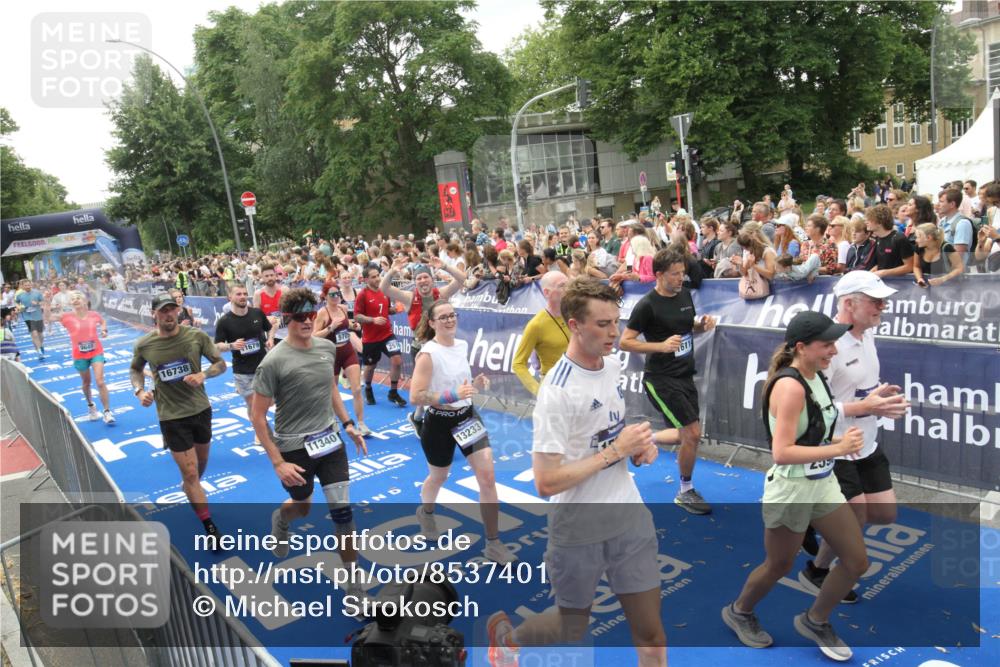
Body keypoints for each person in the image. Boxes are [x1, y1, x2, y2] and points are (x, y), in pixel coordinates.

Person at [487, 278, 665, 667]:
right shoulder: (556, 392)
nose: (614, 332)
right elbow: (546, 481)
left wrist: (635, 452)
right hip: (578, 529)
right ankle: (509, 638)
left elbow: (605, 438)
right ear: (574, 325)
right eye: (602, 324)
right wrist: (615, 451)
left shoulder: (613, 365)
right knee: (572, 628)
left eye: (615, 321)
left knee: (651, 635)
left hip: (628, 518)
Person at [722, 311, 867, 661]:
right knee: (779, 565)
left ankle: (816, 620)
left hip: (822, 483)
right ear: (801, 347)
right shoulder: (789, 386)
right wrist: (839, 448)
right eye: (826, 345)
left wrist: (840, 436)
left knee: (856, 561)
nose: (833, 351)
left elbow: (816, 425)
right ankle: (739, 610)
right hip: (792, 489)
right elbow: (782, 452)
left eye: (834, 344)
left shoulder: (816, 375)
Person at [250, 288, 369, 601]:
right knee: (302, 507)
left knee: (343, 513)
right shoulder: (273, 362)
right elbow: (258, 417)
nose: (306, 321)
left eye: (309, 315)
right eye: (298, 317)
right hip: (294, 448)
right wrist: (278, 462)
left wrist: (347, 425)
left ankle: (354, 587)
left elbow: (330, 388)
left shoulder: (326, 348)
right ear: (287, 320)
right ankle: (281, 518)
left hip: (330, 441)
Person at [798, 273, 910, 603]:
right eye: (875, 301)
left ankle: (810, 520)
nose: (883, 306)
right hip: (835, 447)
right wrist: (866, 404)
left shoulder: (866, 335)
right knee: (854, 518)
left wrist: (878, 396)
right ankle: (817, 571)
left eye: (882, 300)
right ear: (849, 304)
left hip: (866, 441)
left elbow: (854, 388)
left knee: (885, 514)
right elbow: (813, 404)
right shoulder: (827, 346)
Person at [408, 300, 517, 564]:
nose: (449, 320)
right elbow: (416, 395)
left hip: (466, 418)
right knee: (438, 476)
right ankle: (427, 512)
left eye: (452, 315)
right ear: (432, 323)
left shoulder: (462, 345)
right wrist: (452, 394)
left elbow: (459, 386)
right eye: (443, 317)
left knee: (488, 477)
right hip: (438, 423)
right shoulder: (428, 354)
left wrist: (473, 385)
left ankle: (493, 543)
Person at [620, 248, 716, 514]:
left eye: (682, 273)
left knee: (687, 435)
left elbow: (687, 326)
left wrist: (701, 324)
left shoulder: (685, 294)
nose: (680, 278)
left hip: (685, 372)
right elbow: (624, 341)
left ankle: (643, 440)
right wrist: (660, 346)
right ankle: (685, 491)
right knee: (692, 434)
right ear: (658, 275)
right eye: (674, 274)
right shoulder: (647, 305)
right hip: (661, 377)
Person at [130, 293, 227, 543]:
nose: (169, 315)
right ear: (154, 314)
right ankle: (210, 526)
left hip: (200, 409)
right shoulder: (144, 345)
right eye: (163, 311)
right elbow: (135, 369)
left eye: (172, 309)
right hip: (171, 416)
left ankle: (190, 488)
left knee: (201, 464)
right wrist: (139, 391)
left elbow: (220, 363)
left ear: (178, 311)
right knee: (192, 472)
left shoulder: (196, 336)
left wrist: (204, 375)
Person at [379, 255, 466, 432]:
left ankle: (420, 417)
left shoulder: (441, 294)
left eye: (426, 277)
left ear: (432, 280)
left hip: (442, 348)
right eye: (419, 278)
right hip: (422, 348)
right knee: (425, 387)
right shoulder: (410, 297)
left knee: (442, 383)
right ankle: (424, 418)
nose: (422, 280)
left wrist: (445, 266)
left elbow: (461, 279)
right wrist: (392, 271)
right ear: (415, 282)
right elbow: (384, 288)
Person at [313, 281, 371, 436]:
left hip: (347, 352)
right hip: (331, 356)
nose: (336, 297)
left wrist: (353, 326)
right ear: (325, 296)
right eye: (332, 294)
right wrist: (330, 328)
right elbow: (314, 335)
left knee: (357, 388)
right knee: (333, 392)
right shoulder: (322, 313)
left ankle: (361, 423)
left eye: (337, 293)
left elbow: (346, 325)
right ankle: (333, 421)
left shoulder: (343, 308)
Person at [50, 291, 115, 423]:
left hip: (96, 351)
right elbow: (48, 318)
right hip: (79, 354)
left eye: (78, 297)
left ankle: (107, 411)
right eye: (72, 298)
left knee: (100, 381)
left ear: (84, 300)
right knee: (86, 383)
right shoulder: (66, 317)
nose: (75, 300)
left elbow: (102, 321)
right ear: (70, 303)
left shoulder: (93, 315)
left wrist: (104, 330)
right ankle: (91, 405)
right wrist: (46, 305)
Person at [214, 284, 274, 424]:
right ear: (230, 297)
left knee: (268, 402)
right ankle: (260, 433)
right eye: (238, 294)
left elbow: (270, 328)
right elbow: (217, 345)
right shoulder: (225, 321)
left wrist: (270, 339)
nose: (242, 297)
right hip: (242, 371)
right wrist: (231, 345)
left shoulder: (257, 313)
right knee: (254, 405)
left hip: (263, 366)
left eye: (244, 294)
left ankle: (259, 427)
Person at [354, 263, 406, 407]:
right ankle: (368, 388)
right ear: (365, 279)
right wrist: (372, 320)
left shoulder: (384, 291)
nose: (377, 279)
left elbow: (386, 309)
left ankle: (393, 392)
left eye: (378, 275)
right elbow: (357, 316)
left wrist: (394, 310)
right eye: (373, 277)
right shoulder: (362, 295)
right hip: (371, 338)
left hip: (387, 334)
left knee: (397, 360)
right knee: (371, 366)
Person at [512, 272, 570, 396]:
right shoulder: (536, 325)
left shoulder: (575, 314)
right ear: (547, 293)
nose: (568, 289)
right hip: (554, 387)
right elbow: (518, 363)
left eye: (568, 284)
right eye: (562, 286)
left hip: (577, 384)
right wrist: (538, 390)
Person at [867, 204, 914, 278]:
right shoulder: (878, 239)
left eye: (870, 220)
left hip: (900, 283)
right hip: (882, 282)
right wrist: (871, 272)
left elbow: (909, 266)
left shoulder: (899, 239)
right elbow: (883, 264)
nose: (867, 222)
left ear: (879, 222)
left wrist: (885, 272)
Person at [15, 279, 46, 359]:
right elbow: (16, 302)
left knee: (40, 335)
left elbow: (43, 301)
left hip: (38, 315)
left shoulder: (37, 293)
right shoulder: (20, 295)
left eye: (29, 285)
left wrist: (37, 303)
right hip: (27, 316)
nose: (27, 287)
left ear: (31, 284)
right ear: (22, 286)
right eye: (25, 285)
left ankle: (40, 346)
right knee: (34, 334)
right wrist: (20, 307)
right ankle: (39, 351)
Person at [253, 263, 284, 343]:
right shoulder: (258, 294)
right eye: (266, 276)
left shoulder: (284, 290)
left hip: (287, 333)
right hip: (270, 335)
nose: (270, 278)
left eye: (271, 275)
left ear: (275, 275)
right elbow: (256, 318)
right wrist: (266, 318)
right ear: (262, 278)